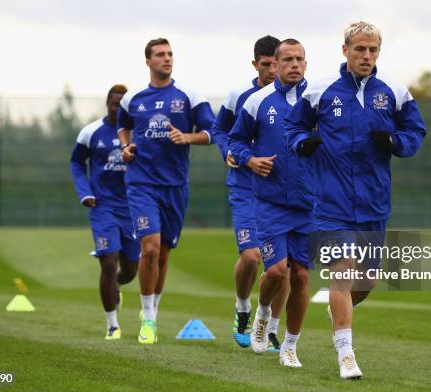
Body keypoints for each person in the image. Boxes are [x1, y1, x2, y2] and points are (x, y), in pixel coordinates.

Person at [284, 21, 427, 379]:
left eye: (373, 50)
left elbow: (415, 131)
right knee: (343, 274)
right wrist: (303, 143)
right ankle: (346, 355)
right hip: (330, 204)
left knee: (366, 282)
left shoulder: (394, 91)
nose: (366, 56)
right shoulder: (319, 90)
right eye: (360, 49)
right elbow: (294, 128)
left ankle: (340, 308)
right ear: (345, 50)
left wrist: (395, 143)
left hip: (374, 204)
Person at [117, 38, 215, 344]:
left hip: (175, 186)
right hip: (141, 183)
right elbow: (122, 125)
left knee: (164, 253)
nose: (167, 58)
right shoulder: (132, 98)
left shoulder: (189, 96)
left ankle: (154, 309)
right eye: (160, 54)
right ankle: (148, 319)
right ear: (147, 61)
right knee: (150, 248)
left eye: (170, 54)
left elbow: (212, 133)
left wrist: (187, 137)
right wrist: (125, 148)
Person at [229, 39, 312, 368]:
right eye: (288, 59)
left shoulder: (319, 98)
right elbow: (235, 140)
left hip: (310, 203)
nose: (294, 64)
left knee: (302, 276)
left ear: (306, 64)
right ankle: (262, 312)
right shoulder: (257, 101)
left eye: (300, 59)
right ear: (274, 64)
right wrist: (250, 160)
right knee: (277, 271)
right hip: (270, 202)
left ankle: (290, 345)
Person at [211, 35, 288, 351]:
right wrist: (228, 150)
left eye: (277, 63)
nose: (273, 70)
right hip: (245, 187)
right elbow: (219, 129)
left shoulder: (299, 97)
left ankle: (270, 328)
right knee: (252, 256)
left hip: (282, 191)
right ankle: (243, 308)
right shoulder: (240, 96)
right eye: (267, 64)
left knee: (282, 264)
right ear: (255, 63)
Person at [70, 84, 139, 340]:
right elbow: (76, 162)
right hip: (103, 207)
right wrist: (84, 192)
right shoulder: (91, 132)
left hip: (133, 207)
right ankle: (112, 324)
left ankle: (117, 287)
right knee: (109, 262)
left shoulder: (138, 132)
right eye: (113, 101)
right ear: (107, 103)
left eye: (122, 102)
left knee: (131, 270)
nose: (116, 105)